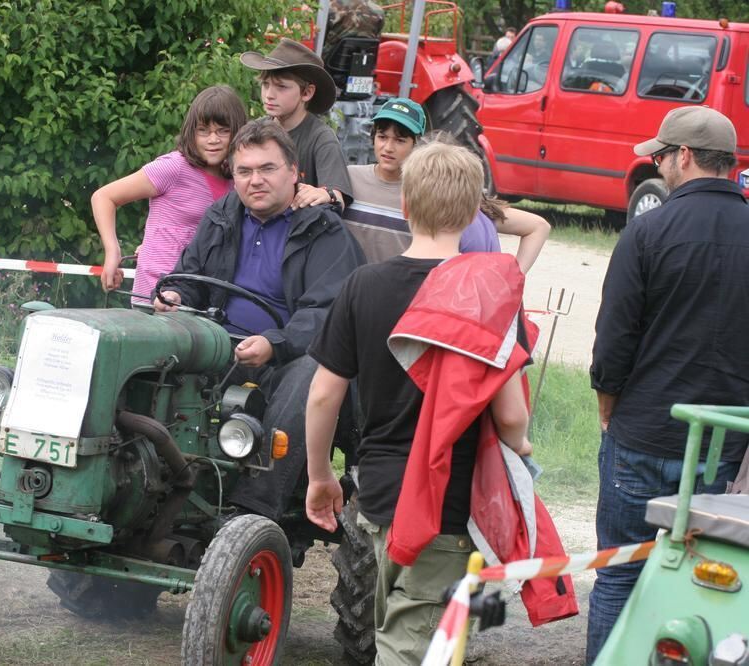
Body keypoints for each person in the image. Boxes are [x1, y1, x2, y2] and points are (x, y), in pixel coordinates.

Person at [305, 142, 540, 662]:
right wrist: (522, 446)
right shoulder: (489, 295)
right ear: (475, 212)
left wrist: (320, 474)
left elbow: (323, 394)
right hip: (447, 508)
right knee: (414, 649)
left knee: (394, 629)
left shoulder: (362, 285)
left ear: (405, 206)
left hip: (379, 497)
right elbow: (509, 418)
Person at [587, 106, 749, 663]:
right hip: (724, 445)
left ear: (682, 157)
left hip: (643, 432)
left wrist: (609, 408)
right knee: (710, 579)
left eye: (661, 157)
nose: (659, 166)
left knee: (617, 574)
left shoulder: (648, 229)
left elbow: (614, 340)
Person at [155, 118, 364, 520]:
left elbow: (329, 313)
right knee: (153, 357)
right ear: (233, 175)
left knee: (314, 370)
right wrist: (177, 295)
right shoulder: (220, 216)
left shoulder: (325, 232)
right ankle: (149, 475)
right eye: (245, 171)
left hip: (284, 360)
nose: (256, 180)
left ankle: (255, 507)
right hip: (217, 347)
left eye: (267, 169)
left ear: (294, 173)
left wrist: (275, 343)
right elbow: (190, 275)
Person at [344, 98, 550, 270]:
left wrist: (515, 277)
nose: (388, 147)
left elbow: (538, 226)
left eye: (400, 140)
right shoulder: (347, 179)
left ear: (417, 145)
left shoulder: (433, 194)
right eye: (382, 137)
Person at [91, 85, 247, 303]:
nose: (213, 139)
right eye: (203, 130)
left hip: (201, 298)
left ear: (238, 132)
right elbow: (104, 197)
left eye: (223, 130)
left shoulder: (241, 179)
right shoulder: (174, 167)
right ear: (191, 131)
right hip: (156, 294)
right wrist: (112, 250)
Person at [240, 38, 353, 211]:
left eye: (281, 87)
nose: (269, 95)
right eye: (266, 84)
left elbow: (337, 197)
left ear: (307, 92)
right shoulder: (254, 131)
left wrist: (325, 194)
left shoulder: (321, 138)